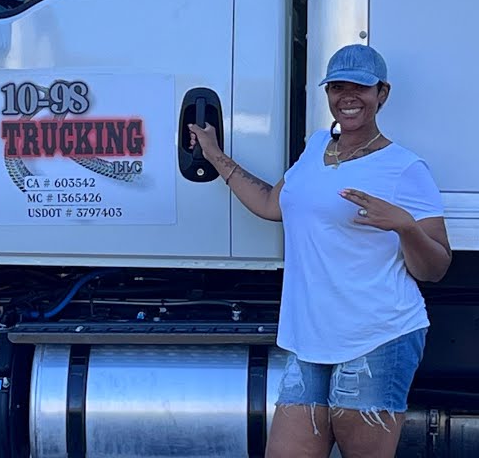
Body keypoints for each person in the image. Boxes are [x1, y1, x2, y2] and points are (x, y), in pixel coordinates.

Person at [189, 44, 453, 458]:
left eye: (360, 88)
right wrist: (214, 155)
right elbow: (270, 205)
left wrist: (404, 226)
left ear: (382, 93)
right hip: (310, 339)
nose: (348, 97)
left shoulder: (404, 168)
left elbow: (435, 267)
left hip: (376, 337)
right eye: (337, 87)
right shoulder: (316, 148)